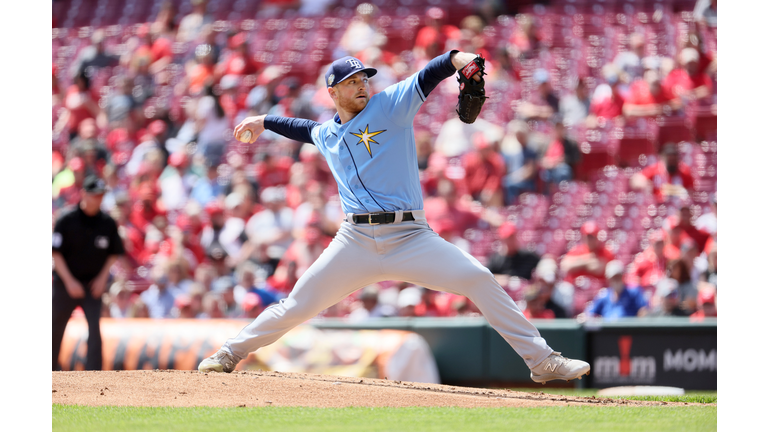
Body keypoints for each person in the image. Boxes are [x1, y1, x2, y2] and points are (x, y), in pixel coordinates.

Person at [198, 51, 590, 383]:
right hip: (354, 242)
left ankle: (542, 361)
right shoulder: (328, 134)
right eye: (352, 82)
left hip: (410, 236)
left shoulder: (390, 105)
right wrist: (263, 121)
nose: (362, 86)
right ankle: (229, 353)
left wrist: (460, 59)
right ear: (333, 92)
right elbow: (303, 128)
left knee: (479, 278)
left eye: (364, 79)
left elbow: (430, 73)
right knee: (297, 305)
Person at [53, 175, 126, 370]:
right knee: (54, 327)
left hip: (92, 285)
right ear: (84, 194)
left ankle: (94, 375)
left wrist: (102, 278)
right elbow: (55, 253)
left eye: (101, 195)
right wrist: (69, 282)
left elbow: (114, 253)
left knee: (94, 328)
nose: (98, 199)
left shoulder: (107, 223)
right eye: (95, 195)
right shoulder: (66, 220)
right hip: (65, 285)